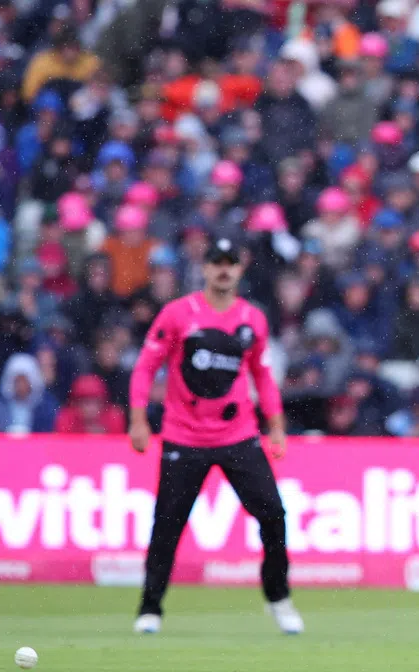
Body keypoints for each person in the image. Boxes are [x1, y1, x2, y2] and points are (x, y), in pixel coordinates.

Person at [127, 237, 302, 636]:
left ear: (241, 269)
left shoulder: (252, 318)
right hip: (183, 436)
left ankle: (279, 598)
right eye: (216, 262)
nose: (223, 269)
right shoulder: (177, 313)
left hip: (238, 436)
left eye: (231, 262)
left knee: (273, 516)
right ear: (204, 268)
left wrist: (275, 426)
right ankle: (149, 608)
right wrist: (138, 420)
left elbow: (262, 375)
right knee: (167, 524)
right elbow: (145, 367)